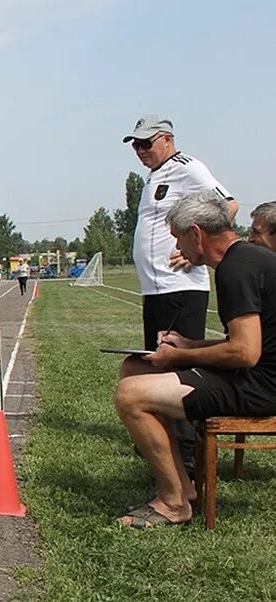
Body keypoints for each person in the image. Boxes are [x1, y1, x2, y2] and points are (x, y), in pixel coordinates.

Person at [114, 190, 276, 528]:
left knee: (130, 396)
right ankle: (183, 487)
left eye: (178, 240)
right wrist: (189, 345)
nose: (178, 250)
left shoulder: (235, 269)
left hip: (261, 386)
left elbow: (245, 353)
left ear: (197, 233)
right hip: (256, 375)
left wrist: (182, 354)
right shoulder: (243, 260)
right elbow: (246, 343)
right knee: (133, 368)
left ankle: (174, 503)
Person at [121, 114, 239, 478]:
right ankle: (163, 440)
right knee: (156, 362)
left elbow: (228, 205)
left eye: (147, 143)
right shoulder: (153, 177)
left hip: (179, 287)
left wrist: (194, 252)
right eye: (136, 145)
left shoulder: (187, 167)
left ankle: (188, 452)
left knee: (181, 365)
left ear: (168, 139)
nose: (141, 151)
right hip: (155, 288)